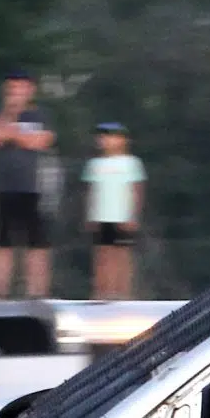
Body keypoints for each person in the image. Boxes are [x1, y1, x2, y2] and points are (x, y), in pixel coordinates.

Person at [0, 72, 55, 299]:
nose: (16, 93)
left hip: (34, 187)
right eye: (12, 89)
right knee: (1, 242)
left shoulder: (41, 116)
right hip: (2, 187)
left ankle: (37, 293)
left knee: (37, 243)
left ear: (31, 90)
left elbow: (42, 141)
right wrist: (9, 116)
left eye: (21, 88)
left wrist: (12, 135)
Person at [81, 123, 146, 298]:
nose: (104, 141)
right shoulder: (94, 164)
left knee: (122, 257)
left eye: (110, 136)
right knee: (102, 256)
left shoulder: (131, 163)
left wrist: (133, 216)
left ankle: (122, 293)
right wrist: (89, 215)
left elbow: (137, 190)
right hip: (101, 216)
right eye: (102, 137)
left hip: (122, 217)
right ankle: (102, 293)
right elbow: (91, 191)